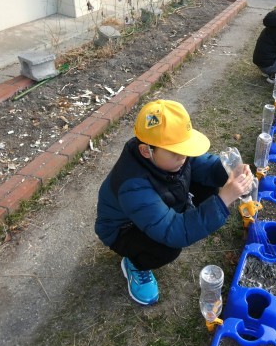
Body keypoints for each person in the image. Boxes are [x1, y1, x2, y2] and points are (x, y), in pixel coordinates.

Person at [95, 99, 253, 306]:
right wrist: (224, 199)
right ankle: (135, 263)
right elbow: (174, 232)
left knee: (208, 187)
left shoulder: (174, 158)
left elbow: (203, 165)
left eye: (186, 148)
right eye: (176, 152)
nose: (184, 157)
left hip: (153, 208)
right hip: (125, 229)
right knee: (167, 248)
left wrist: (229, 171)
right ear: (146, 151)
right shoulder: (133, 186)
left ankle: (186, 215)